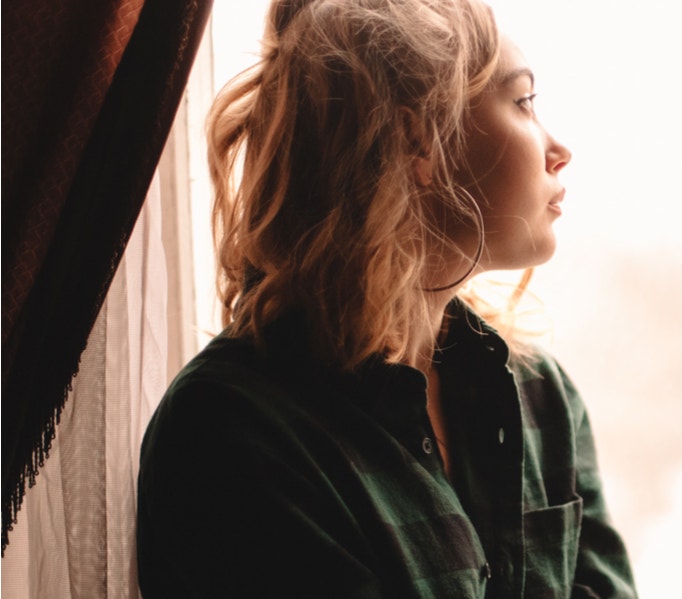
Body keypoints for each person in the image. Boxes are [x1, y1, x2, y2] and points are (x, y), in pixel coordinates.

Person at [135, 0, 638, 597]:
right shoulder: (233, 431)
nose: (559, 148)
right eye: (523, 101)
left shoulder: (540, 396)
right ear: (416, 140)